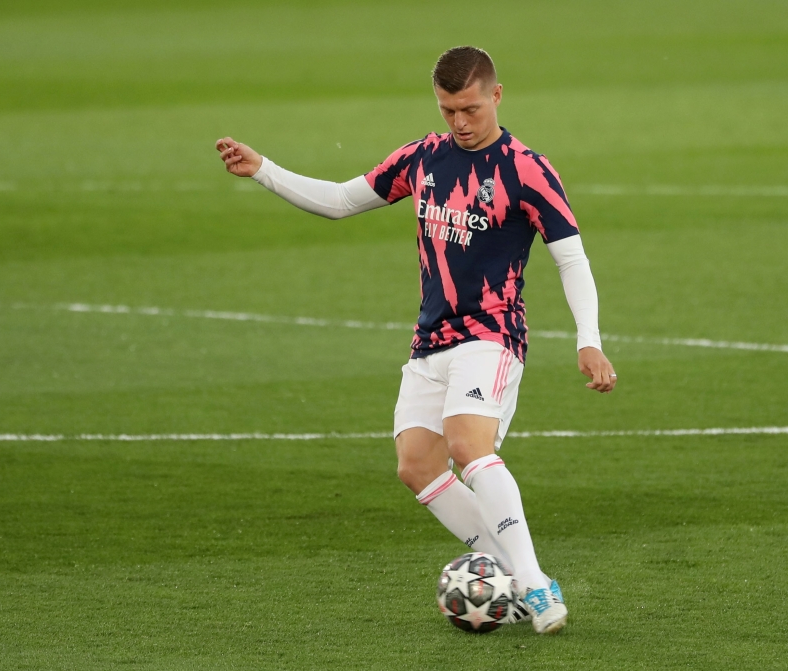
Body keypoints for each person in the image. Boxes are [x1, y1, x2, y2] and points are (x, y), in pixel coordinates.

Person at [216, 45, 616, 635]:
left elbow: (571, 258)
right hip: (431, 342)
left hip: (493, 334)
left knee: (466, 443)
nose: (459, 121)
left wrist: (589, 338)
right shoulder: (424, 157)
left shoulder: (526, 169)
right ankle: (512, 571)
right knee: (417, 464)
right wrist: (265, 171)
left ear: (496, 97)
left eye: (471, 109)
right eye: (449, 109)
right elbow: (342, 200)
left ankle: (534, 584)